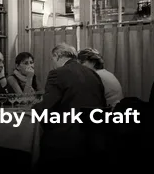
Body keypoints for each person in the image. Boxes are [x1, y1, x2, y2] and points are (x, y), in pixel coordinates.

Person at [33, 43, 106, 172]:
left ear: (57, 56)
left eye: (52, 60)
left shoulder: (57, 74)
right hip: (93, 139)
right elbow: (102, 105)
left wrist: (31, 109)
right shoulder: (93, 74)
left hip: (65, 140)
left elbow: (47, 108)